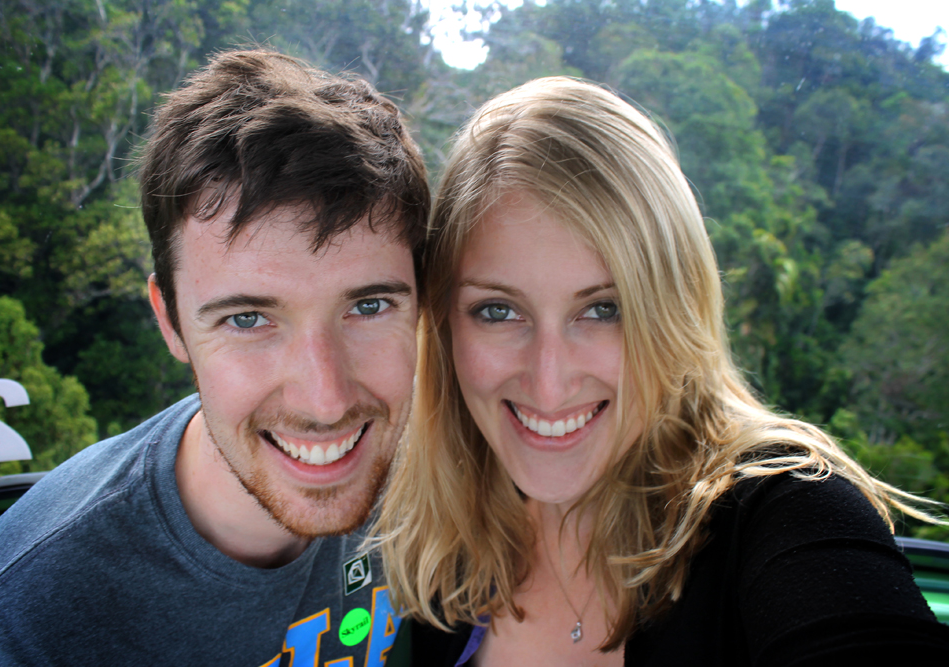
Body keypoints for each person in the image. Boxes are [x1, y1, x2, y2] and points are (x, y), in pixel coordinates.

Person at [375, 77, 949, 666]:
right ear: (443, 325)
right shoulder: (427, 555)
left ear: (674, 308)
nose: (549, 382)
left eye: (604, 309)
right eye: (498, 311)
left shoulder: (785, 511)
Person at [0, 49, 428, 666]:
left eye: (368, 307)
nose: (326, 399)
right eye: (248, 319)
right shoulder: (25, 623)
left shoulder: (435, 476)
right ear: (170, 320)